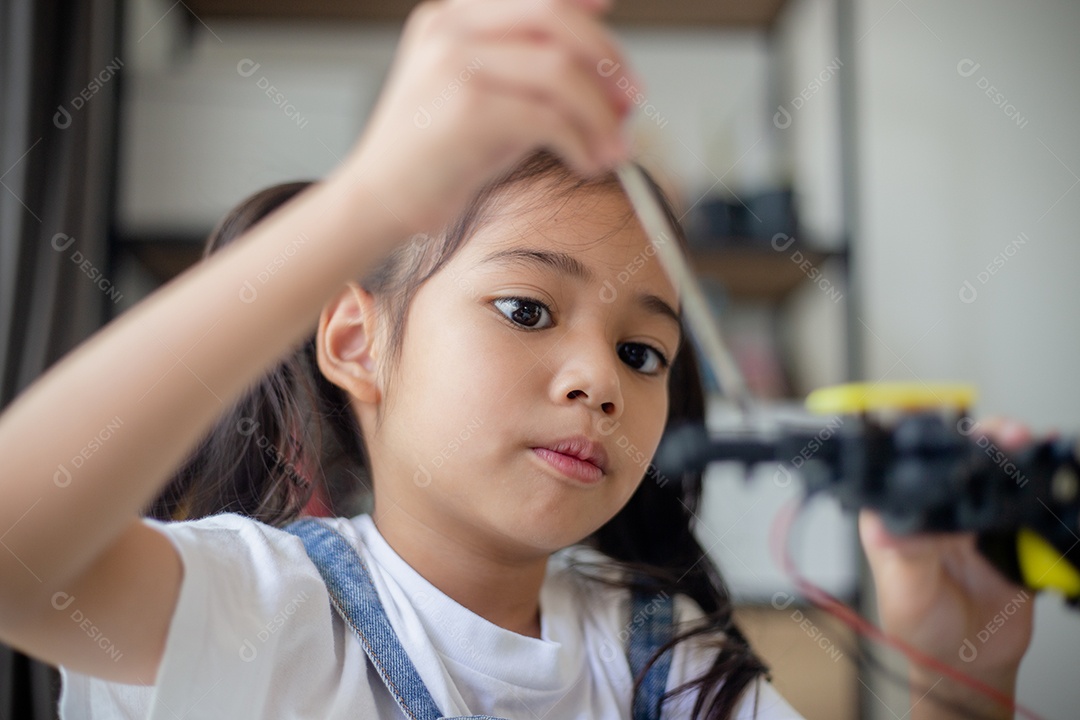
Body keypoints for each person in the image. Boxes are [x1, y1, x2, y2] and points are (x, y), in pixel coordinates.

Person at [0, 0, 1032, 717]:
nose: (599, 381)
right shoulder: (250, 611)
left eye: (643, 351)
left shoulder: (670, 660)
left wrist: (953, 685)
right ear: (358, 342)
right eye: (526, 310)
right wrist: (370, 197)